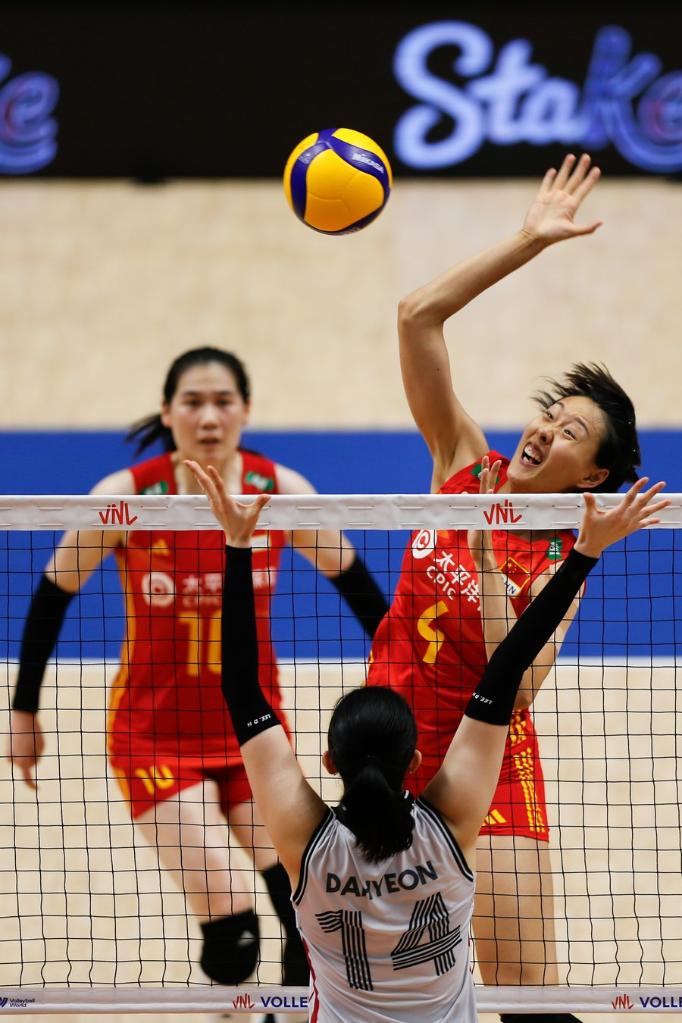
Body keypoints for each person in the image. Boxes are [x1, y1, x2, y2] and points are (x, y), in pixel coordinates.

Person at [187, 456, 667, 1023]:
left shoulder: (305, 845)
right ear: (416, 761)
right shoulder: (450, 831)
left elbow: (240, 690)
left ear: (329, 762)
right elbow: (504, 673)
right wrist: (583, 553)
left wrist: (235, 544)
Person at [6, 346, 388, 1005]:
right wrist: (23, 710)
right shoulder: (125, 497)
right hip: (155, 739)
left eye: (223, 402)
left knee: (308, 904)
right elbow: (53, 593)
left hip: (254, 735)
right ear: (167, 411)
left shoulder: (279, 492)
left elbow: (361, 591)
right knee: (234, 929)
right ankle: (231, 1004)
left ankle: (286, 1016)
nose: (209, 417)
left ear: (246, 410)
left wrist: (401, 686)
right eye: (193, 402)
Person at [365, 153, 642, 1022]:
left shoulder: (565, 557)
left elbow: (515, 688)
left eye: (571, 434)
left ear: (590, 476)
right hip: (387, 753)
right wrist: (529, 241)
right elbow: (417, 316)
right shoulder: (462, 460)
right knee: (388, 988)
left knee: (529, 999)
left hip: (489, 765)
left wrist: (488, 562)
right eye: (550, 414)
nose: (545, 431)